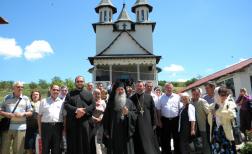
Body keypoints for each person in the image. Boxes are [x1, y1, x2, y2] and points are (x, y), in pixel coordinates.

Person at [103, 82, 137, 154]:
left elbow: (135, 115)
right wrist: (106, 130)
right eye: (118, 89)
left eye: (122, 89)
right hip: (114, 131)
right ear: (115, 91)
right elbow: (106, 117)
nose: (120, 91)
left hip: (126, 131)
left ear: (124, 91)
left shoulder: (130, 102)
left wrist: (128, 113)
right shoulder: (111, 103)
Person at [64, 75, 96, 154]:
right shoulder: (70, 94)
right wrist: (76, 110)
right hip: (73, 124)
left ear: (84, 82)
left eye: (81, 81)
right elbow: (66, 105)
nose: (79, 83)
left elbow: (93, 105)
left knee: (86, 143)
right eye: (77, 81)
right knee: (74, 144)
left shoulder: (89, 94)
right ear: (75, 83)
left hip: (86, 123)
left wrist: (83, 111)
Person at [0, 81, 33, 154]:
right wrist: (7, 114)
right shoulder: (7, 97)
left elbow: (31, 112)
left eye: (22, 87)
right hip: (7, 127)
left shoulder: (26, 98)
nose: (20, 88)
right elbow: (0, 110)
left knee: (19, 151)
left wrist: (23, 114)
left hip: (21, 128)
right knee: (4, 150)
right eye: (18, 87)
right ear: (13, 88)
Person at [130, 80, 160, 154]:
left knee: (149, 142)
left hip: (148, 124)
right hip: (137, 125)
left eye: (140, 86)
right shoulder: (131, 99)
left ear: (143, 87)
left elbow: (153, 112)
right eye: (137, 86)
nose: (139, 88)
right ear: (135, 87)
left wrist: (154, 123)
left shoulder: (149, 97)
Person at [208, 86, 237, 153]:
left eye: (226, 94)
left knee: (229, 150)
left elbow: (232, 115)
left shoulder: (230, 103)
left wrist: (217, 112)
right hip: (216, 132)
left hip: (227, 132)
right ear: (217, 95)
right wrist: (211, 115)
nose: (225, 97)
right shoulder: (212, 106)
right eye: (222, 95)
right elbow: (210, 121)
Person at [38, 84, 65, 154]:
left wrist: (64, 129)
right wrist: (40, 130)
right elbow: (39, 116)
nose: (55, 91)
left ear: (59, 92)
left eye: (57, 90)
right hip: (46, 127)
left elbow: (64, 117)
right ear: (50, 90)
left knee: (56, 149)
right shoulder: (43, 101)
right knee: (45, 148)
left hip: (58, 127)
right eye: (54, 89)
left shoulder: (62, 103)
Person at [156, 83, 181, 154]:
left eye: (170, 88)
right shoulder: (160, 98)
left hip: (176, 120)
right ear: (165, 88)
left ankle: (177, 152)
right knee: (166, 138)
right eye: (167, 88)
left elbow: (180, 108)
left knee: (176, 137)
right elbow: (158, 110)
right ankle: (167, 152)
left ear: (172, 88)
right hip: (165, 120)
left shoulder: (177, 97)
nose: (169, 89)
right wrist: (159, 121)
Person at [191, 88, 211, 154]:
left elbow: (209, 112)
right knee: (198, 143)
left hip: (203, 126)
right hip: (194, 127)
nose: (195, 95)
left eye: (197, 94)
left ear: (199, 94)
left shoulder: (202, 101)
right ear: (192, 94)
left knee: (205, 142)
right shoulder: (190, 102)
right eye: (194, 94)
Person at [25, 90, 42, 154]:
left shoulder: (42, 103)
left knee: (38, 147)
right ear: (31, 96)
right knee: (30, 146)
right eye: (34, 94)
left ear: (39, 96)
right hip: (29, 127)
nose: (35, 96)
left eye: (37, 94)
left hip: (39, 128)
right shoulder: (28, 103)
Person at [90, 89, 106, 154]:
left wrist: (101, 118)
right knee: (92, 141)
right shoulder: (90, 102)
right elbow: (88, 112)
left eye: (98, 93)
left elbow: (106, 112)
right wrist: (93, 118)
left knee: (99, 141)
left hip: (100, 124)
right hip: (91, 124)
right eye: (95, 93)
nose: (97, 95)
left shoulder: (103, 102)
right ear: (93, 94)